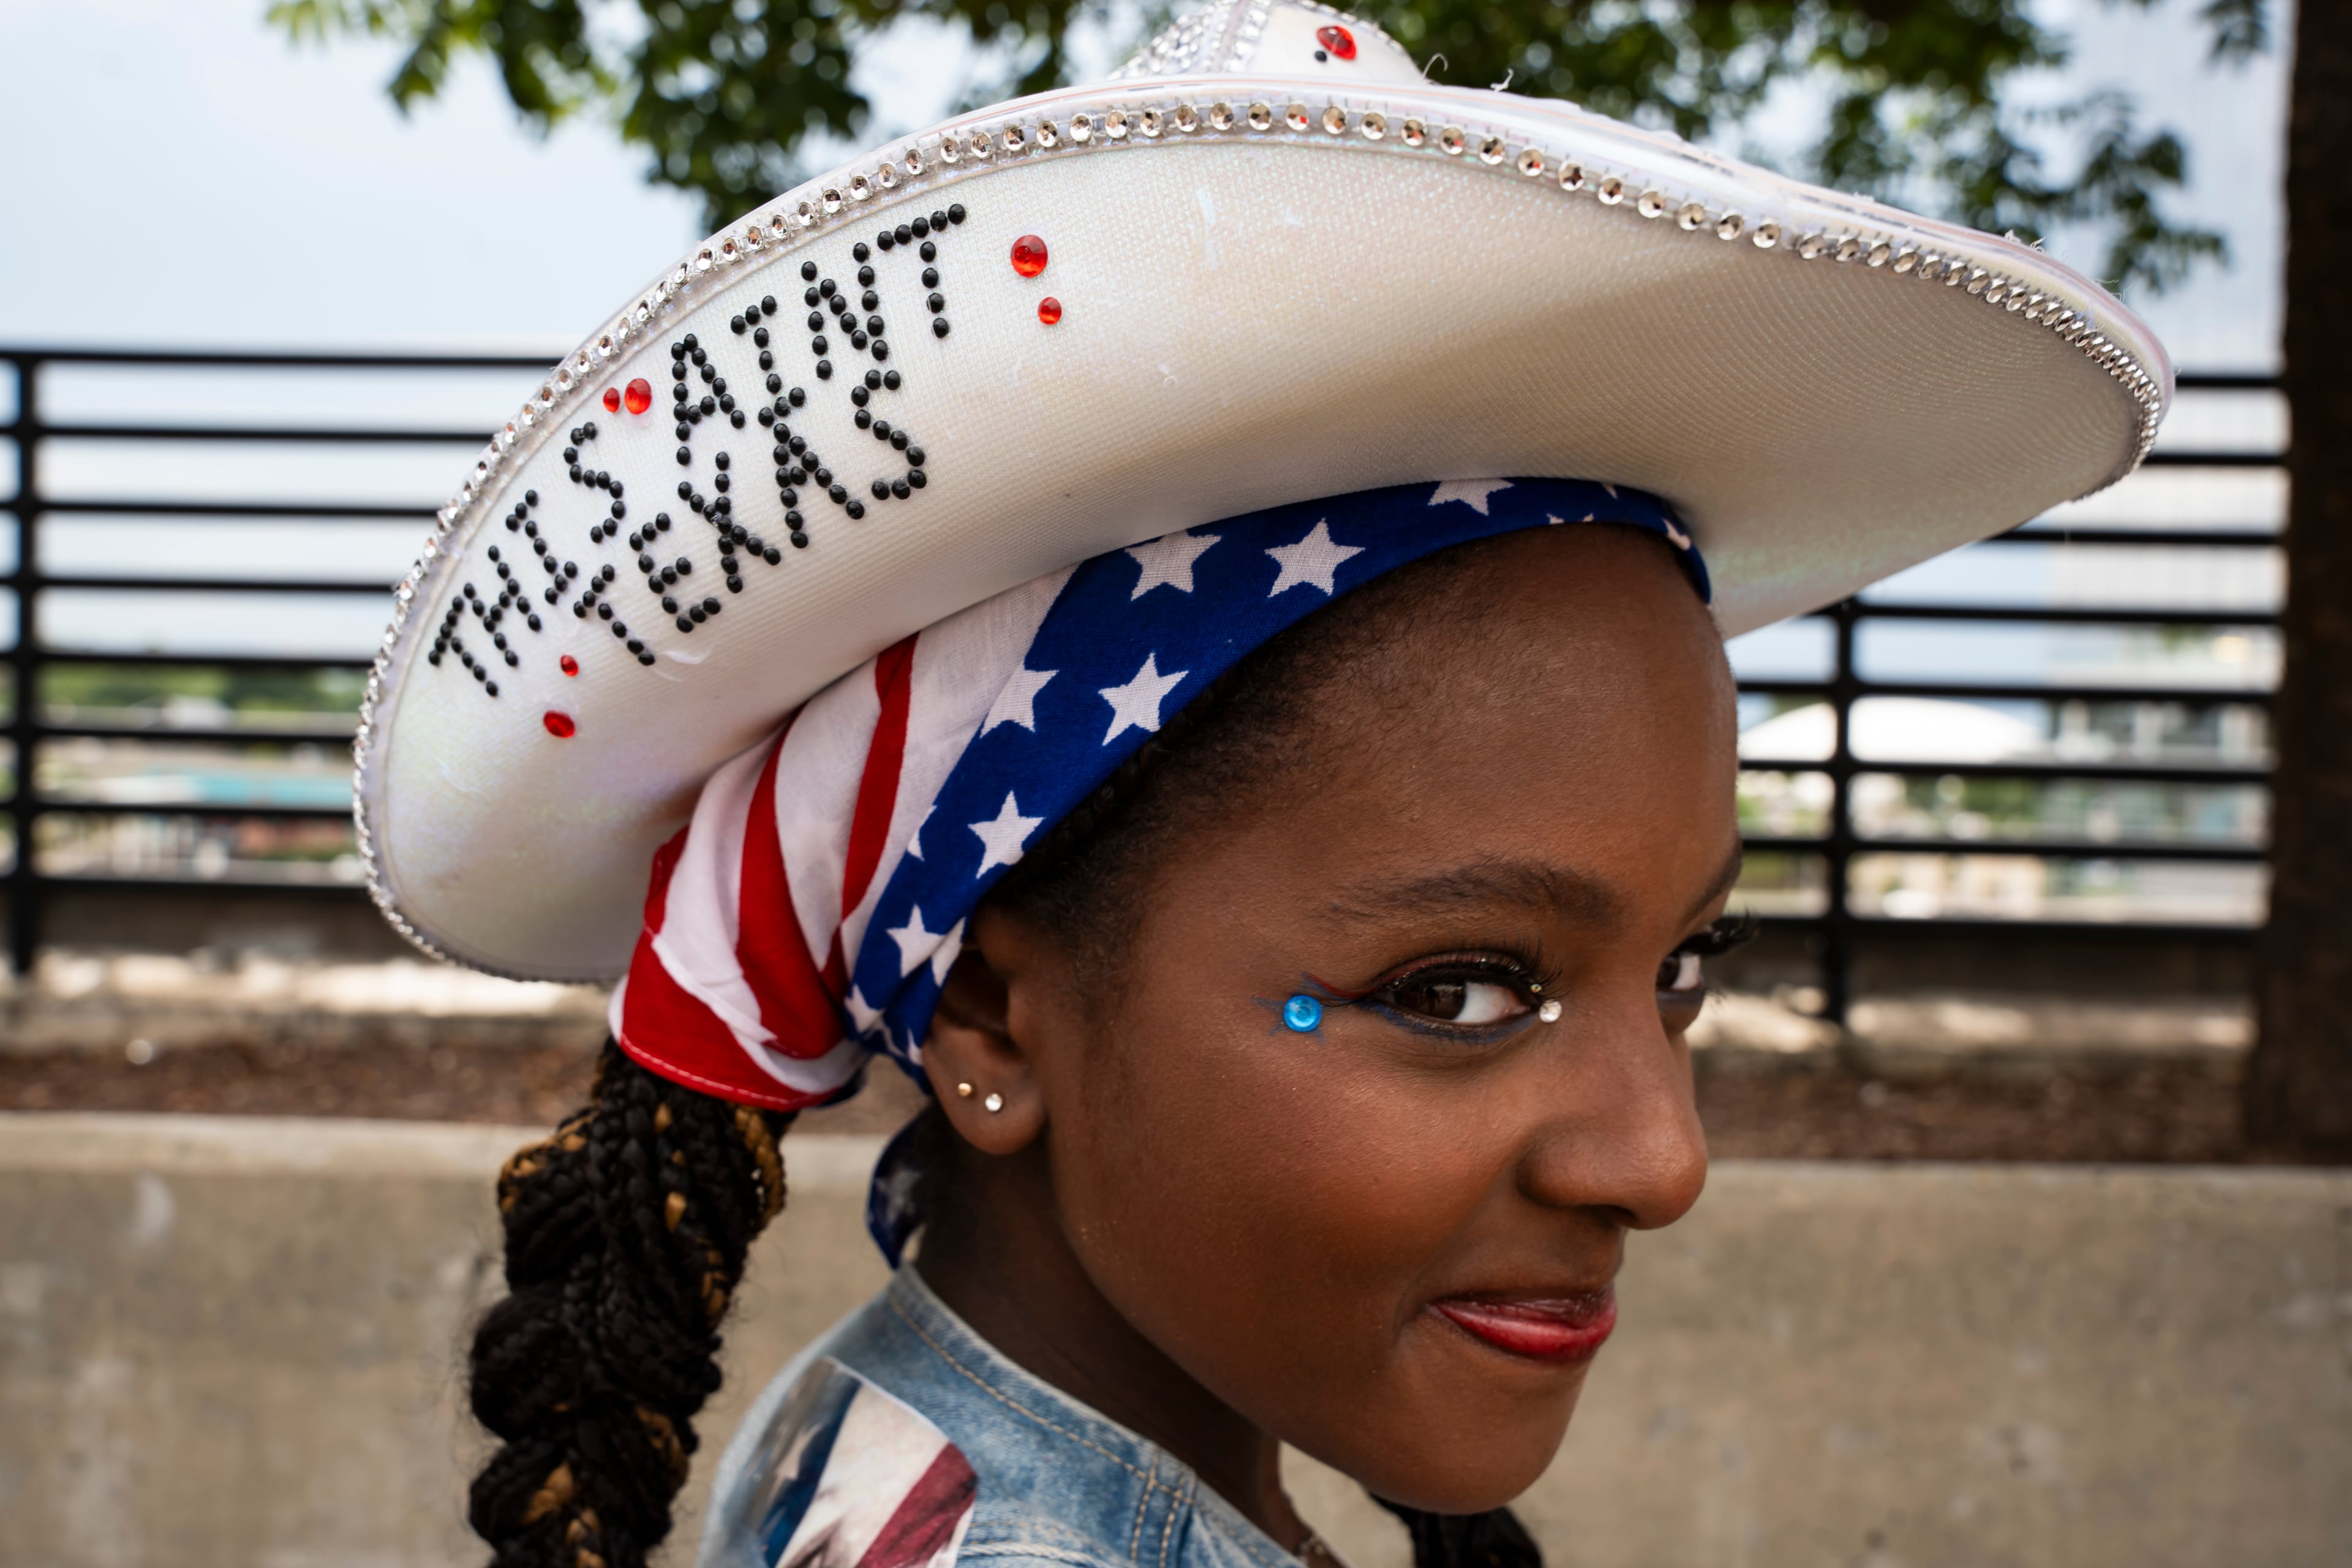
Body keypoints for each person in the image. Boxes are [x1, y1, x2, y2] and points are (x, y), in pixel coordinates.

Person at [352, 6, 2169, 1567]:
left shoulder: (894, 1408)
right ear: (992, 1012)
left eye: (1685, 967)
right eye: (1458, 991)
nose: (1661, 1155)